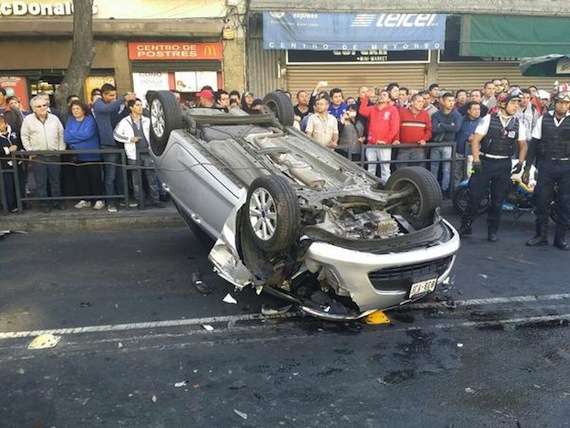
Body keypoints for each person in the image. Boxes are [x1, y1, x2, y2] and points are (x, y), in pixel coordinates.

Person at [459, 91, 528, 242]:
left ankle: (492, 230)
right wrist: (476, 161)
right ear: (502, 104)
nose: (516, 106)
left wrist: (521, 163)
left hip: (504, 164)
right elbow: (476, 140)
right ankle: (466, 225)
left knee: (498, 200)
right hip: (485, 162)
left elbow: (523, 145)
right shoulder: (488, 119)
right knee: (475, 196)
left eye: (517, 103)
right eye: (513, 103)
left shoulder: (518, 123)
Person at [523, 91, 570, 250]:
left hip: (567, 166)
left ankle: (560, 238)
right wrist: (527, 167)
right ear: (554, 103)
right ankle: (541, 235)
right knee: (542, 200)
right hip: (546, 164)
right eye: (560, 103)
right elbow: (534, 144)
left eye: (566, 103)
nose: (563, 106)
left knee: (565, 203)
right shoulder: (543, 119)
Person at [113, 98, 165, 208]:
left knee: (152, 178)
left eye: (141, 105)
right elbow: (116, 134)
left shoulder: (148, 120)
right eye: (137, 105)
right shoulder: (125, 121)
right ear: (131, 108)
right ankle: (140, 201)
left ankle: (155, 200)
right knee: (136, 179)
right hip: (133, 153)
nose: (140, 107)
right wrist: (129, 139)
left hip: (147, 152)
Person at [92, 83, 136, 212]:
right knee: (110, 176)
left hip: (119, 143)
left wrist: (127, 107)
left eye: (114, 95)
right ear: (103, 95)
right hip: (108, 145)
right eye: (111, 95)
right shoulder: (98, 104)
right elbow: (107, 109)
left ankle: (122, 198)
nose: (113, 98)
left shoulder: (113, 106)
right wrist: (123, 99)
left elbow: (118, 119)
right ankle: (111, 201)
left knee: (121, 174)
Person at [20, 95, 66, 212]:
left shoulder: (54, 118)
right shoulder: (28, 120)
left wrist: (61, 149)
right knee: (41, 182)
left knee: (55, 181)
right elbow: (24, 136)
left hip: (54, 154)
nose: (42, 108)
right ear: (33, 108)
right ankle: (44, 204)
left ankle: (57, 202)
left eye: (44, 105)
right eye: (39, 106)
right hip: (38, 156)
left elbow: (61, 134)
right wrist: (30, 151)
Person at [64, 100, 104, 210]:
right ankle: (85, 199)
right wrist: (78, 137)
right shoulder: (70, 121)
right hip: (78, 156)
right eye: (73, 109)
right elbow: (66, 138)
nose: (75, 111)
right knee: (82, 178)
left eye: (77, 108)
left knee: (95, 178)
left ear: (83, 109)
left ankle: (99, 200)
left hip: (92, 155)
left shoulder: (90, 121)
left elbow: (88, 134)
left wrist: (73, 133)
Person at [358, 88, 400, 181]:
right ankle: (370, 186)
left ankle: (386, 187)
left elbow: (395, 128)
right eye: (380, 95)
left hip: (384, 145)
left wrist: (386, 140)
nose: (381, 96)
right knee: (370, 169)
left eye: (384, 95)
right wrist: (367, 97)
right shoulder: (373, 108)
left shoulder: (393, 110)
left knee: (385, 169)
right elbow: (362, 111)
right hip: (371, 144)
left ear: (389, 99)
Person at [430, 92, 462, 197]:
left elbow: (456, 128)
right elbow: (434, 129)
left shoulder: (457, 115)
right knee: (434, 168)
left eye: (453, 101)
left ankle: (444, 190)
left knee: (447, 169)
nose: (451, 103)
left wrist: (442, 125)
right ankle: (433, 190)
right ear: (443, 102)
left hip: (449, 144)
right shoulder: (435, 115)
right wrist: (449, 126)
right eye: (449, 101)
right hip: (436, 144)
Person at [394, 93, 432, 168]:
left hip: (418, 149)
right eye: (419, 101)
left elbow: (429, 130)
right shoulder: (402, 113)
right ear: (412, 102)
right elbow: (397, 128)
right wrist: (396, 139)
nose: (421, 104)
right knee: (401, 169)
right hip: (403, 148)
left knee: (418, 170)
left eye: (422, 102)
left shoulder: (425, 114)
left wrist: (424, 139)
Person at [0, 115, 25, 212]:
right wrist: (7, 150)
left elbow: (21, 143)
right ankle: (11, 205)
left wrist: (21, 151)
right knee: (8, 185)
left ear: (5, 123)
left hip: (18, 162)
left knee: (20, 183)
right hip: (4, 165)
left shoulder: (15, 131)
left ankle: (22, 204)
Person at [455, 101, 482, 187]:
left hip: (473, 155)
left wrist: (476, 138)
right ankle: (457, 191)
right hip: (459, 152)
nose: (477, 111)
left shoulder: (482, 122)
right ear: (468, 111)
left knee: (470, 173)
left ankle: (470, 190)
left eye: (478, 109)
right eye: (474, 109)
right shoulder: (461, 120)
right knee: (457, 173)